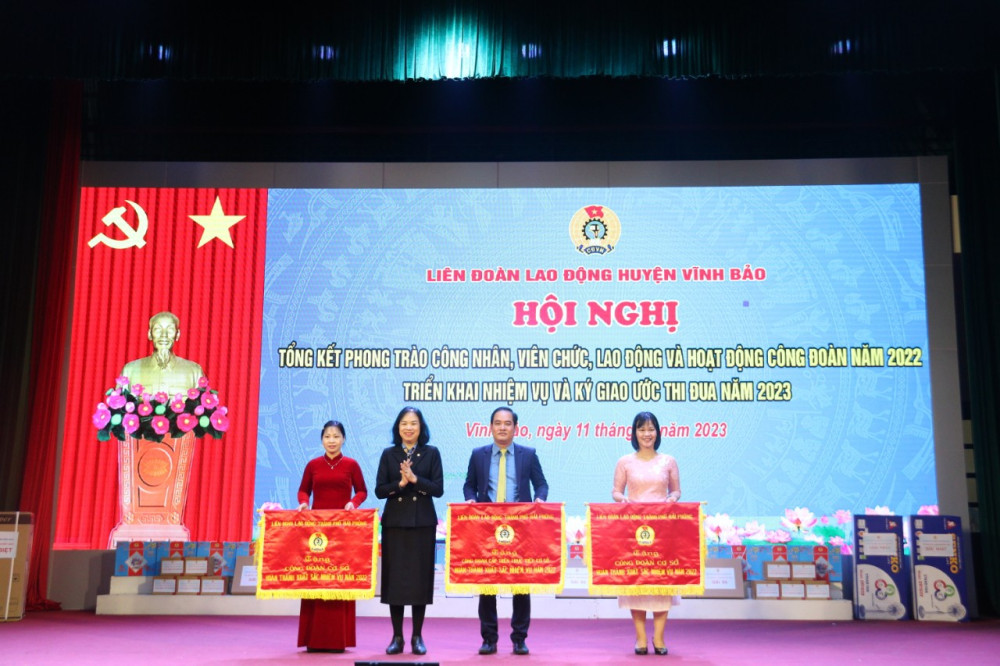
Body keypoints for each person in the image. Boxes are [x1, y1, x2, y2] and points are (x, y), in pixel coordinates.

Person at [463, 406, 549, 656]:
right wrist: (470, 499)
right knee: (487, 585)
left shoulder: (528, 454)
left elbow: (541, 484)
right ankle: (489, 639)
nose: (502, 427)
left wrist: (540, 499)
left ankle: (519, 638)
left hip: (520, 527)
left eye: (507, 423)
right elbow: (469, 485)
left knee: (520, 585)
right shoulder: (478, 454)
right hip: (487, 526)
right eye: (498, 423)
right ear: (491, 427)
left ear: (515, 427)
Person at [374, 406, 444, 656]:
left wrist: (415, 480)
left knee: (419, 582)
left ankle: (417, 636)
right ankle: (397, 637)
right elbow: (380, 490)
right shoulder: (389, 454)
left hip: (422, 523)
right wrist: (401, 483)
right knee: (395, 582)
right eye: (404, 423)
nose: (409, 428)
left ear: (421, 427)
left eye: (413, 423)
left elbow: (438, 489)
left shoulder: (431, 453)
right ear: (398, 427)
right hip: (395, 524)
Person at [611, 411, 681, 656]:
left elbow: (676, 491)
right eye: (642, 429)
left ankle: (659, 638)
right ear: (635, 433)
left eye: (651, 429)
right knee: (638, 584)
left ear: (657, 432)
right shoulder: (625, 462)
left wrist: (672, 499)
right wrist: (623, 500)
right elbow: (616, 492)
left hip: (663, 529)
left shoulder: (668, 461)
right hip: (634, 529)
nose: (647, 434)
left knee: (661, 583)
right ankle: (640, 638)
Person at [295, 420, 368, 653]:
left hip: (342, 531)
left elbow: (362, 491)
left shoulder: (351, 465)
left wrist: (353, 503)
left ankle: (338, 640)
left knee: (339, 579)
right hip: (318, 532)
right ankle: (313, 639)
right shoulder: (313, 465)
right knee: (316, 578)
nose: (332, 440)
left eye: (336, 436)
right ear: (322, 440)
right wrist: (303, 502)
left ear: (343, 439)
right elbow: (303, 489)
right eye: (327, 436)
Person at [120, 311, 205, 395]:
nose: (164, 335)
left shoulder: (194, 371)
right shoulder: (130, 370)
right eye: (158, 329)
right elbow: (118, 401)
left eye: (170, 330)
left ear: (177, 335)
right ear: (149, 334)